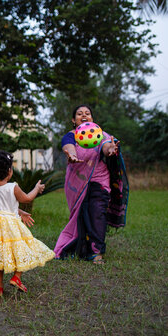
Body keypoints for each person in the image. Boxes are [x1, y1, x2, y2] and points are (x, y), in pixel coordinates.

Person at [0, 151, 54, 296]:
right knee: (21, 248)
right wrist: (37, 189)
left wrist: (19, 212)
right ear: (9, 171)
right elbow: (26, 198)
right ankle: (16, 277)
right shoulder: (12, 187)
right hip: (10, 227)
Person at [54, 105, 128, 264]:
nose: (84, 115)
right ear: (74, 120)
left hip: (99, 182)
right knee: (82, 215)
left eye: (87, 113)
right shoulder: (71, 136)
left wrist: (111, 149)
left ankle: (96, 252)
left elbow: (106, 147)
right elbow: (68, 147)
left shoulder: (101, 135)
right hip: (77, 184)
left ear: (92, 119)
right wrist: (72, 155)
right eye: (79, 114)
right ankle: (82, 248)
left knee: (97, 213)